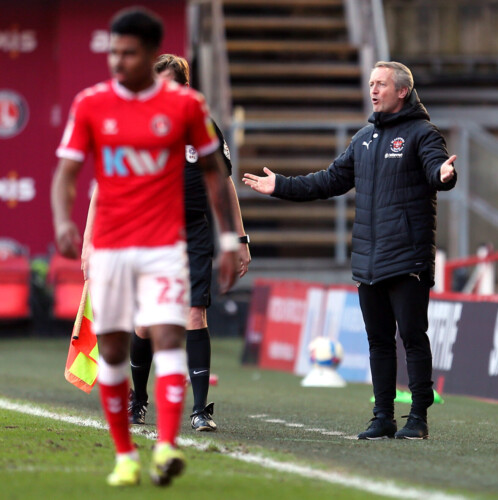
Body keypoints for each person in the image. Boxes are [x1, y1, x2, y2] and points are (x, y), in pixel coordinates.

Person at [51, 8, 240, 487]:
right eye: (114, 52)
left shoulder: (188, 109)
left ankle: (168, 445)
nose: (118, 61)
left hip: (166, 243)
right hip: (115, 241)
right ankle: (124, 454)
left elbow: (217, 177)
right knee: (116, 345)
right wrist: (68, 224)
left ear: (151, 54)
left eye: (129, 53)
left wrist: (229, 238)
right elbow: (70, 174)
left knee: (172, 332)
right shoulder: (92, 103)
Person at [243, 61, 456, 440]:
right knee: (378, 341)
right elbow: (329, 181)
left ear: (402, 91)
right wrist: (281, 186)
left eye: (381, 84)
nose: (373, 90)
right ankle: (383, 416)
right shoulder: (364, 138)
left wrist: (443, 175)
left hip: (407, 256)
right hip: (369, 258)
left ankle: (418, 417)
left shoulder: (423, 134)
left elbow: (435, 168)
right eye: (371, 83)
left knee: (412, 336)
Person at [80, 54, 251, 432]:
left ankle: (200, 410)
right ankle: (139, 399)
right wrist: (90, 242)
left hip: (193, 232)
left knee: (194, 314)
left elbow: (223, 185)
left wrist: (239, 238)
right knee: (145, 324)